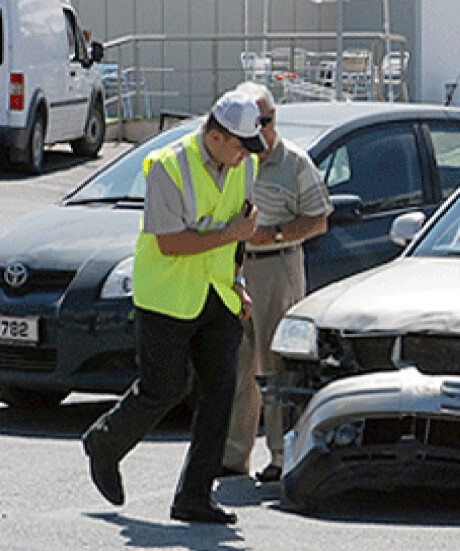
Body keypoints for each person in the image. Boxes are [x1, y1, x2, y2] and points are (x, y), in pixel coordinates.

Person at [81, 89, 265, 525]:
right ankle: (104, 444)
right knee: (163, 388)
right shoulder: (168, 166)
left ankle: (193, 498)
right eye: (239, 146)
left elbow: (239, 233)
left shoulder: (247, 165)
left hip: (218, 296)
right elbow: (171, 242)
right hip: (166, 295)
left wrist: (239, 284)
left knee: (220, 395)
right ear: (215, 136)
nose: (245, 156)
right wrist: (232, 234)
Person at [221, 81, 332, 483]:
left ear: (274, 119)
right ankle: (233, 457)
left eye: (264, 121)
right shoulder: (236, 159)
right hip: (235, 265)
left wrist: (277, 235)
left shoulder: (295, 162)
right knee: (237, 365)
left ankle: (282, 457)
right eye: (252, 122)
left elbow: (319, 219)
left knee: (276, 367)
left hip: (276, 265)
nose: (259, 129)